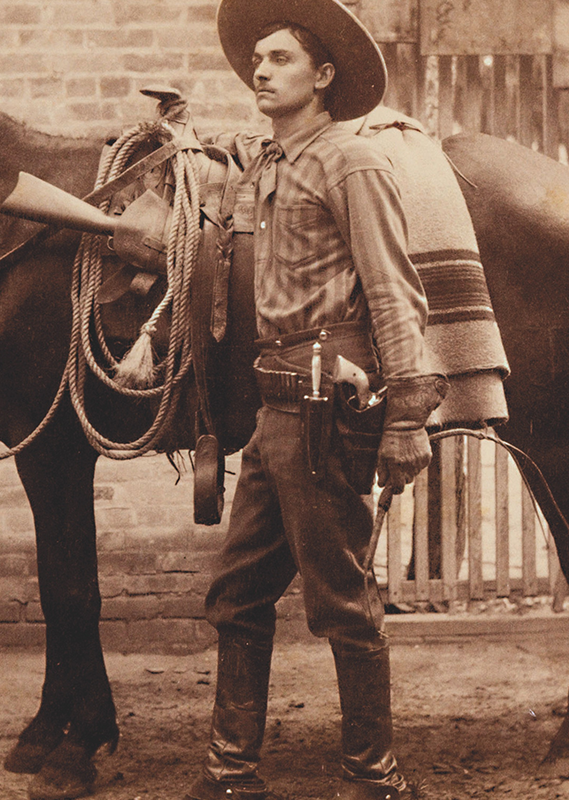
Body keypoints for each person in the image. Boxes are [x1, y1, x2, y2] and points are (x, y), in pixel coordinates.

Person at [185, 2, 448, 800]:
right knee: (236, 593)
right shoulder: (270, 160)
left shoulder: (349, 162)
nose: (259, 71)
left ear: (324, 76)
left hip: (330, 410)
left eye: (279, 60)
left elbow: (396, 292)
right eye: (256, 60)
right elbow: (230, 152)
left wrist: (407, 416)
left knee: (339, 598)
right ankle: (232, 775)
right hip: (274, 414)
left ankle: (375, 779)